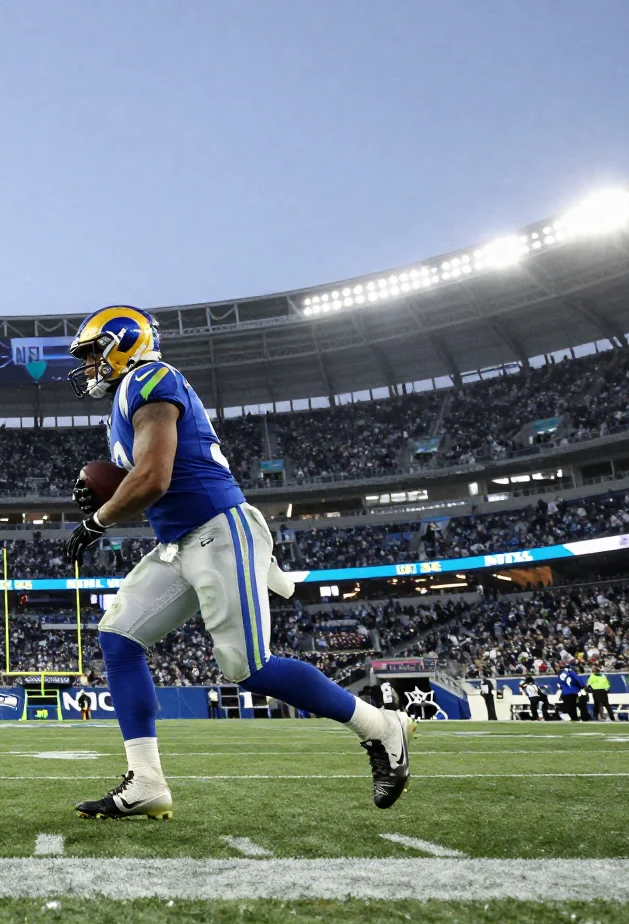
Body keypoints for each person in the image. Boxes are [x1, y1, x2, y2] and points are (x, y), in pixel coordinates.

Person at [63, 305, 414, 819]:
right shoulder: (124, 399)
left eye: (94, 352)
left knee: (247, 667)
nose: (88, 365)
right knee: (118, 636)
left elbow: (155, 477)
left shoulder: (148, 378)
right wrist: (113, 497)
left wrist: (98, 520)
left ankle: (382, 726)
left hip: (219, 530)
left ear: (124, 344)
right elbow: (151, 483)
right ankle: (147, 782)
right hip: (179, 542)